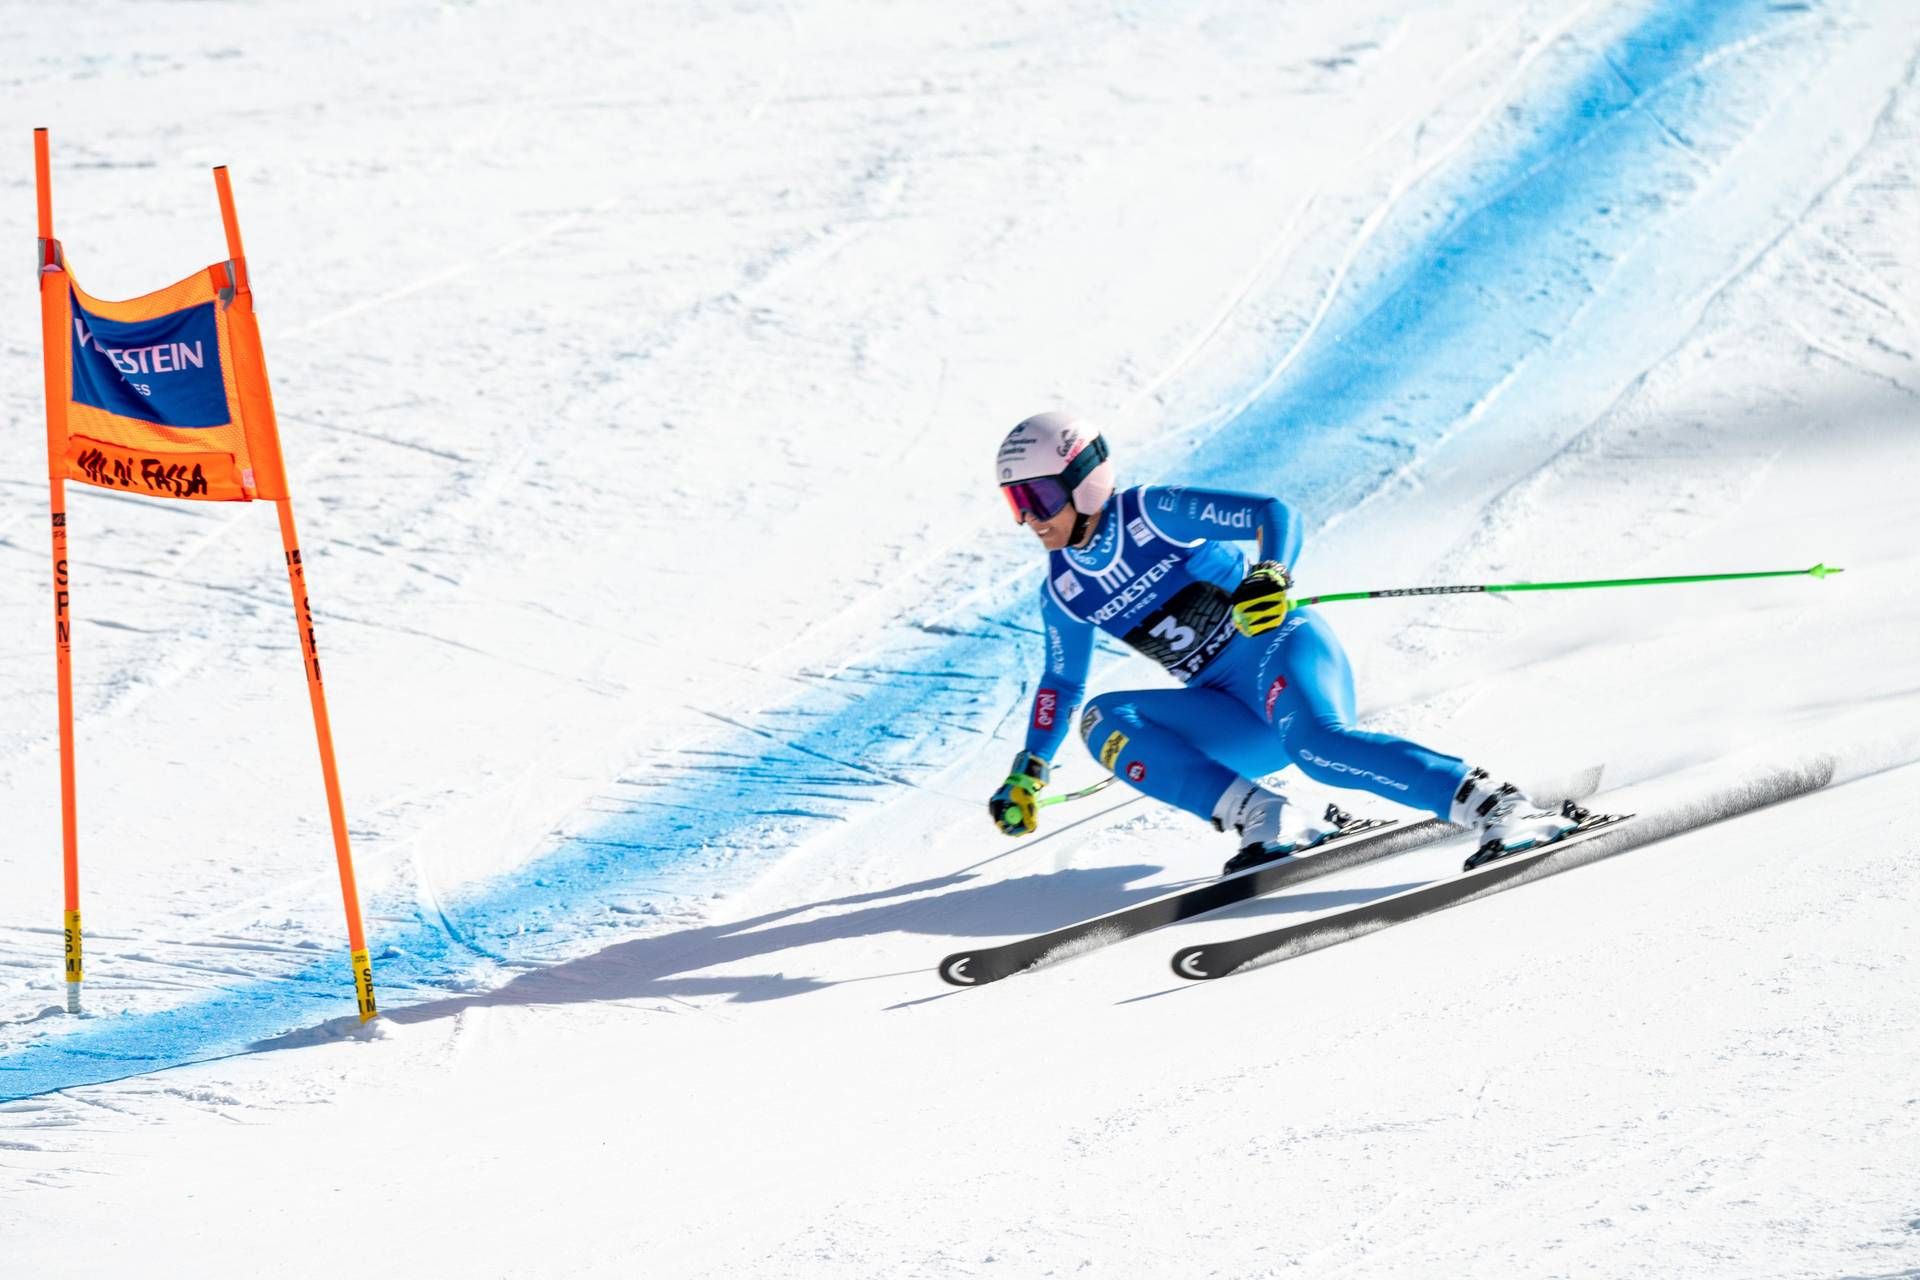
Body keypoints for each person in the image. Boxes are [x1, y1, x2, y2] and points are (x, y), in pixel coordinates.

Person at [986, 410, 1578, 873]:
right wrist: (1029, 769)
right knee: (1104, 720)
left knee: (1320, 748)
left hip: (1279, 649)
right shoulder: (1063, 590)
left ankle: (1499, 805)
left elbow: (1273, 513)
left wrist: (1271, 573)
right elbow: (1061, 682)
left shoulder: (1152, 512)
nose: (1030, 519)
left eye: (1039, 499)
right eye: (1018, 504)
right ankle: (1267, 817)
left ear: (1085, 483)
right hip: (1230, 712)